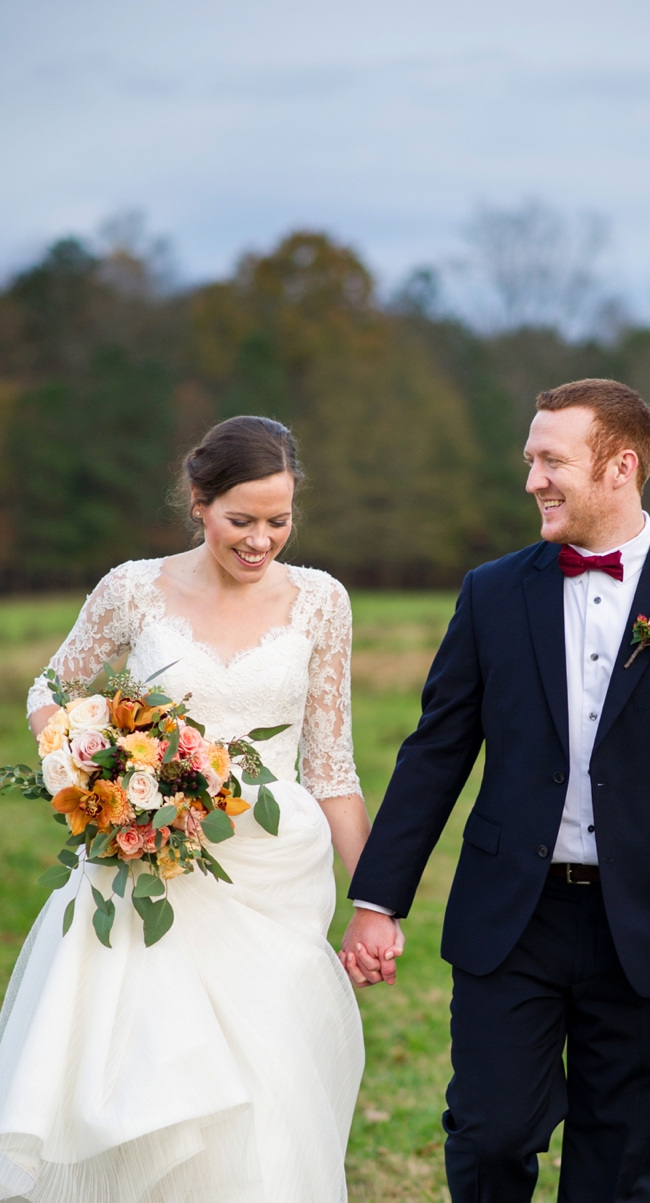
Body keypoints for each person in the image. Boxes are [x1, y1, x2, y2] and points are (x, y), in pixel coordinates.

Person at [342, 379, 650, 1203]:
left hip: (648, 925)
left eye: (551, 461)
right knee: (489, 1133)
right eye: (528, 459)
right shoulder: (490, 592)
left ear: (621, 467)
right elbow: (437, 750)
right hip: (513, 917)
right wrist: (378, 897)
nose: (532, 480)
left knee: (618, 1162)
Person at [0, 415, 378, 1203]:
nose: (260, 540)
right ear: (198, 501)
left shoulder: (321, 602)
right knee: (153, 1078)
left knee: (265, 1083)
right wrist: (86, 757)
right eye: (241, 520)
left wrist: (374, 900)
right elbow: (52, 689)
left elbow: (332, 763)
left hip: (273, 877)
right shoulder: (133, 588)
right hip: (147, 869)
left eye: (279, 521)